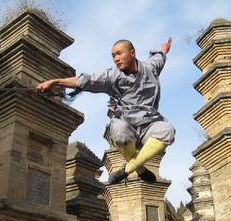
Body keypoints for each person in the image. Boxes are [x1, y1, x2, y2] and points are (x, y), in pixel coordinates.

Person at [37, 37, 175, 185]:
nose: (116, 59)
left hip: (149, 122)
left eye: (119, 53)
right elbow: (85, 81)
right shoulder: (111, 76)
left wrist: (164, 49)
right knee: (117, 129)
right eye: (113, 56)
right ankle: (140, 169)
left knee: (168, 130)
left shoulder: (151, 67)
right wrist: (56, 82)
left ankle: (129, 169)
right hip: (127, 124)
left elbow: (160, 57)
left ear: (132, 53)